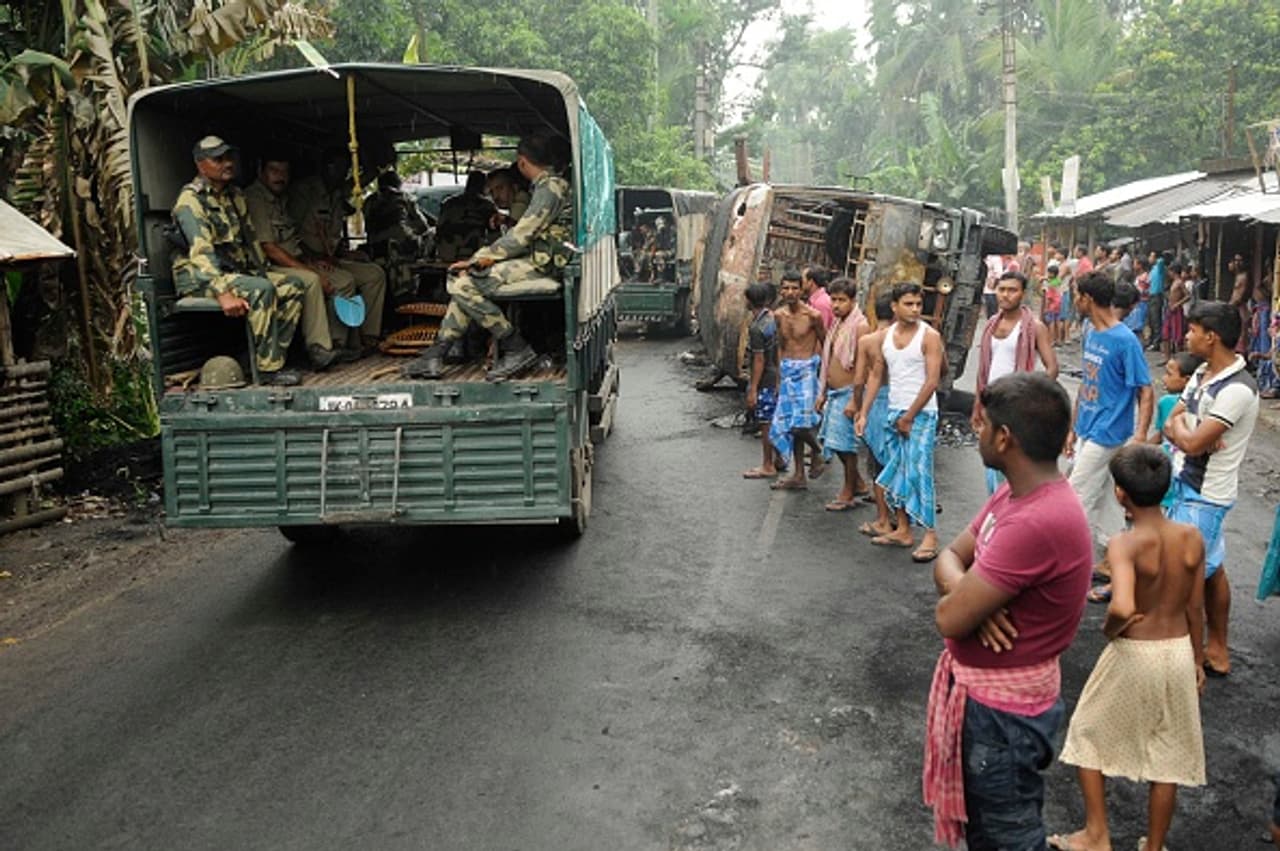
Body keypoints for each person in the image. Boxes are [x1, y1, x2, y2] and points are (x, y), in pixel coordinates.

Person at [925, 372, 1093, 850]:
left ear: (1004, 437)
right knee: (991, 829)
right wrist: (968, 593)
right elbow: (949, 558)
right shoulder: (1014, 494)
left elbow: (947, 618)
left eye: (983, 425)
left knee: (1008, 835)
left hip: (1004, 720)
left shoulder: (1038, 519)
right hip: (993, 707)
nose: (977, 431)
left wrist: (965, 603)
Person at [1050, 444, 1206, 851]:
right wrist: (1198, 660)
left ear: (1120, 493)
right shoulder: (1191, 537)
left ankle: (1097, 834)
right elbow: (1195, 606)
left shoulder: (1125, 543)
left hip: (1136, 652)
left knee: (1087, 734)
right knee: (1168, 756)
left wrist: (1112, 626)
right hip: (1176, 650)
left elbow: (1122, 604)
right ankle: (1153, 846)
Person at [402, 132, 574, 382]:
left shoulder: (551, 187)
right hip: (539, 259)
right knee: (462, 280)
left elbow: (522, 235)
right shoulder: (549, 185)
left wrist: (478, 260)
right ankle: (436, 354)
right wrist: (480, 260)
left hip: (545, 265)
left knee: (462, 282)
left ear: (522, 162)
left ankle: (514, 347)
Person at [1163, 301, 1260, 678]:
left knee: (1187, 580)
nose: (1186, 336)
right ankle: (1216, 647)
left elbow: (1186, 438)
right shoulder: (1203, 372)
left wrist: (1189, 433)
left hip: (1206, 494)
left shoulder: (1238, 389)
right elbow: (1174, 421)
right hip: (1186, 480)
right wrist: (1191, 432)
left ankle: (1193, 660)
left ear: (1211, 336)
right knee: (1211, 570)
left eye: (1192, 330)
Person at [170, 135, 305, 386]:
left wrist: (262, 271)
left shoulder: (234, 195)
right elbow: (201, 254)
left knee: (292, 286)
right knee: (262, 289)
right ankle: (268, 371)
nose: (227, 164)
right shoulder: (191, 200)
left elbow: (250, 240)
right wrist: (222, 293)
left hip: (233, 271)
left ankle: (262, 356)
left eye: (228, 158)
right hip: (199, 278)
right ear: (201, 165)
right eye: (218, 159)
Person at [1067, 272, 1153, 559]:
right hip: (1087, 427)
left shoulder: (1125, 340)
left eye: (1077, 295)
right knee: (1106, 501)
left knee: (1075, 496)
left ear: (1087, 298)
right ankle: (1118, 560)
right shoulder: (1091, 331)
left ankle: (1068, 563)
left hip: (1108, 433)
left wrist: (1140, 435)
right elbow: (1086, 383)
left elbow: (1145, 390)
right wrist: (1073, 427)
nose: (1074, 300)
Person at [856, 281, 943, 562]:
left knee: (920, 472)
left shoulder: (929, 336)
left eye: (919, 304)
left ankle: (930, 534)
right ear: (894, 306)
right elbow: (876, 376)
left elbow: (932, 381)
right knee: (895, 473)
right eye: (909, 304)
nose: (915, 309)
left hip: (921, 414)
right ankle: (903, 529)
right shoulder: (886, 336)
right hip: (894, 411)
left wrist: (909, 416)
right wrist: (864, 412)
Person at [243, 152, 351, 370]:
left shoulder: (281, 199)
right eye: (274, 170)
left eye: (285, 172)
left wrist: (314, 259)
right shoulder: (255, 198)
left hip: (292, 260)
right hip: (268, 266)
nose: (281, 177)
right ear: (260, 171)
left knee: (344, 280)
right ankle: (318, 349)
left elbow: (293, 240)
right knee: (311, 281)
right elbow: (269, 248)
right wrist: (310, 270)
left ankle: (339, 343)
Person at [286, 148, 387, 353]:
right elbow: (291, 234)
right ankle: (336, 343)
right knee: (343, 281)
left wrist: (345, 252)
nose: (340, 172)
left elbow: (366, 178)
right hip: (308, 259)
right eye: (336, 167)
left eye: (345, 168)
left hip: (331, 258)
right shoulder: (305, 191)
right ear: (324, 167)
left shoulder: (337, 192)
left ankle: (368, 338)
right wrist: (312, 258)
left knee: (374, 274)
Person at [972, 270, 1058, 493]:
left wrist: (1028, 396)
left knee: (1009, 471)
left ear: (1022, 294)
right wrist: (978, 405)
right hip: (992, 406)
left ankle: (1006, 520)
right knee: (991, 468)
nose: (1006, 295)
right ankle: (998, 519)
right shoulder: (991, 324)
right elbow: (984, 370)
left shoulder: (1034, 327)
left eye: (1012, 290)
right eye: (1002, 290)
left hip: (1016, 409)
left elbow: (1052, 368)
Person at [768, 269, 827, 490]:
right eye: (786, 288)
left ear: (802, 290)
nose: (790, 292)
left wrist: (823, 376)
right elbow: (780, 347)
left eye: (794, 288)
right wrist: (778, 378)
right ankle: (799, 474)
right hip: (787, 372)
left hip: (807, 372)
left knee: (800, 424)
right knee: (788, 426)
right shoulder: (779, 315)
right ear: (781, 290)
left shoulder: (813, 316)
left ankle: (819, 451)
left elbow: (825, 343)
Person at [815, 276, 869, 509]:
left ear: (853, 300)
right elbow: (830, 360)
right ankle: (857, 483)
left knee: (845, 446)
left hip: (849, 393)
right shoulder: (837, 324)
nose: (836, 305)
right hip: (835, 392)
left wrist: (855, 401)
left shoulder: (860, 326)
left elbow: (863, 366)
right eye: (833, 300)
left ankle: (847, 493)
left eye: (841, 300)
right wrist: (822, 392)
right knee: (835, 442)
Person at [849, 291, 896, 538]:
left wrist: (857, 407)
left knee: (879, 464)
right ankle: (901, 517)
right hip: (901, 400)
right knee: (898, 460)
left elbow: (859, 381)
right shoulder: (908, 340)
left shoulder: (868, 341)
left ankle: (883, 520)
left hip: (875, 401)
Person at [363, 170, 432, 300]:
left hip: (375, 250)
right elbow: (423, 226)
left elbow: (368, 227)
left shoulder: (368, 202)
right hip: (402, 250)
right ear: (398, 184)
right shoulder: (404, 197)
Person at [742, 281, 782, 480]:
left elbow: (759, 359)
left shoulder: (757, 327)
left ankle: (768, 464)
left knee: (766, 423)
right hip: (777, 375)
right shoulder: (772, 319)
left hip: (766, 378)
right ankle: (780, 459)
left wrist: (753, 389)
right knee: (774, 420)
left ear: (749, 301)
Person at [434, 170, 498, 263]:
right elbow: (495, 235)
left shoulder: (449, 203)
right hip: (474, 255)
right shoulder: (487, 206)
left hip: (447, 254)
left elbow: (439, 228)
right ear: (484, 186)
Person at [1163, 263, 1189, 358]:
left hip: (1176, 310)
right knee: (1165, 334)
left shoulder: (1179, 282)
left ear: (1173, 272)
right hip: (1169, 309)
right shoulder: (1173, 282)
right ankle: (1167, 358)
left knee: (1177, 335)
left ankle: (1179, 358)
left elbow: (1188, 295)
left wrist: (1177, 304)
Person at [802, 265, 835, 330]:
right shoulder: (816, 300)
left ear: (810, 282)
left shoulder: (820, 303)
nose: (801, 283)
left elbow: (821, 332)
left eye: (803, 279)